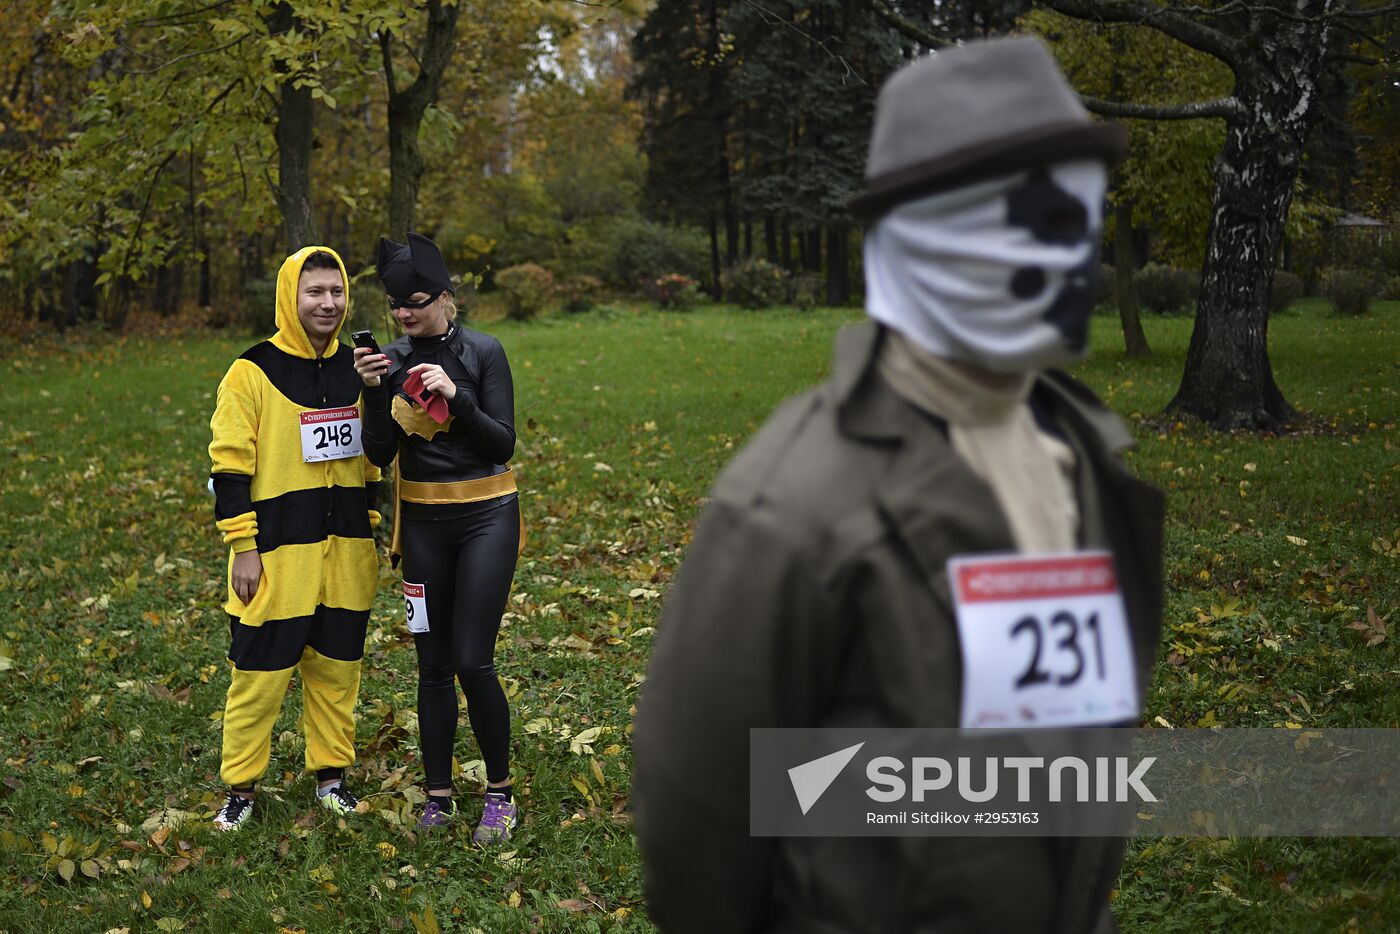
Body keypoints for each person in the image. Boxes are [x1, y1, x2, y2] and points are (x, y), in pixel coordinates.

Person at [632, 37, 1166, 933]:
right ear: (925, 233)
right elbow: (700, 819)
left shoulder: (1082, 450)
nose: (1072, 257)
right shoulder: (789, 504)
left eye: (1084, 218)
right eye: (1032, 218)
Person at [353, 233, 521, 844]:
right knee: (432, 666)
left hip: (486, 518)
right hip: (422, 524)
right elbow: (377, 454)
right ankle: (438, 797)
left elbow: (502, 442)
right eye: (396, 304)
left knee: (474, 660)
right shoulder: (390, 359)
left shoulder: (483, 351)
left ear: (447, 297)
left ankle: (499, 794)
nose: (405, 314)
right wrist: (373, 391)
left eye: (417, 301)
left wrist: (458, 397)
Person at [208, 246, 382, 831]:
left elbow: (372, 463)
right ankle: (240, 789)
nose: (328, 303)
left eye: (337, 292)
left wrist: (375, 532)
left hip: (346, 554)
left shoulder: (358, 367)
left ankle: (332, 778)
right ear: (291, 296)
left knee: (337, 672)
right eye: (315, 292)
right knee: (258, 676)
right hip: (277, 555)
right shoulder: (250, 372)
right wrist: (244, 547)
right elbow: (229, 468)